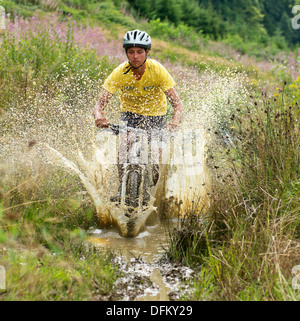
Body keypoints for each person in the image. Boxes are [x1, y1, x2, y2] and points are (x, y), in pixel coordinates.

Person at [94, 29, 183, 202]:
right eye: (131, 52)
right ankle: (122, 187)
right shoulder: (120, 72)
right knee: (124, 146)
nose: (135, 56)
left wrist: (174, 122)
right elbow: (100, 103)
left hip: (156, 117)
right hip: (130, 116)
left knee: (158, 156)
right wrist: (99, 116)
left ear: (147, 52)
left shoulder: (157, 70)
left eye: (140, 52)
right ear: (126, 53)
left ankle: (156, 190)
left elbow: (177, 104)